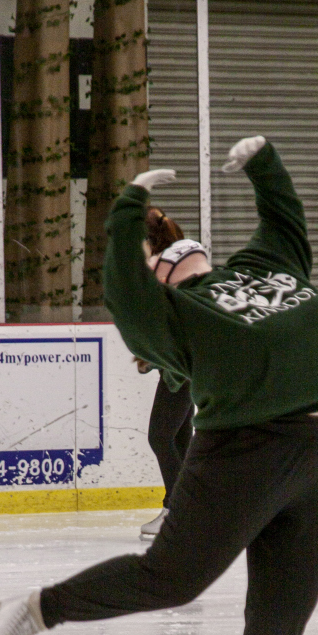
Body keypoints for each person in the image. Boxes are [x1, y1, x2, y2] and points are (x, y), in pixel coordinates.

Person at [0, 136, 318, 635]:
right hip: (244, 451)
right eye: (166, 261)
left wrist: (265, 165)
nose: (182, 258)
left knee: (285, 607)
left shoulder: (263, 265)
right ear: (160, 281)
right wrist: (128, 209)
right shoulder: (178, 318)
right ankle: (35, 611)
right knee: (172, 578)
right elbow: (126, 296)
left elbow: (285, 221)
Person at [138, 207, 194, 542]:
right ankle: (190, 510)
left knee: (160, 437)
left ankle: (178, 512)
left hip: (180, 368)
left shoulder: (163, 271)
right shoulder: (177, 265)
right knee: (178, 438)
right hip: (188, 364)